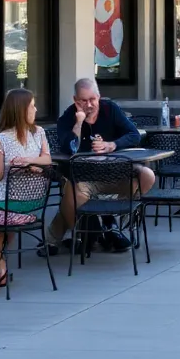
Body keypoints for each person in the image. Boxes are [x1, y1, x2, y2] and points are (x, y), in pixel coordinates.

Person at [41, 78, 154, 255]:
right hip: (82, 179)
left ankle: (109, 221)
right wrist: (79, 122)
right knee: (71, 196)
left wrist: (112, 145)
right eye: (83, 100)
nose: (89, 104)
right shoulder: (68, 117)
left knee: (146, 175)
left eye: (93, 99)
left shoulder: (110, 109)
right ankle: (67, 237)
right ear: (75, 100)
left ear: (99, 97)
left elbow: (134, 134)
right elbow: (69, 148)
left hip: (113, 175)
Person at [0, 88, 50, 291]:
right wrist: (31, 161)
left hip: (6, 204)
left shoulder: (0, 139)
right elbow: (48, 159)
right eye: (33, 105)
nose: (36, 109)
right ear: (21, 110)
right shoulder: (39, 133)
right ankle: (0, 268)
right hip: (32, 204)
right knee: (3, 218)